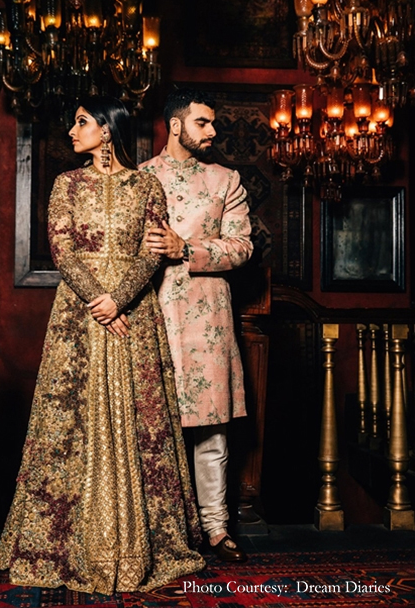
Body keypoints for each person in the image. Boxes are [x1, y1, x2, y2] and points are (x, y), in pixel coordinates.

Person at [0, 97, 204, 594]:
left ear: (108, 131)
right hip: (80, 317)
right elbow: (62, 251)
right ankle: (64, 547)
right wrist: (98, 301)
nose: (71, 130)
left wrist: (120, 300)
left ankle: (145, 544)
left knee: (139, 418)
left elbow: (154, 251)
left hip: (132, 316)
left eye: (82, 122)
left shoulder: (147, 185)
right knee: (73, 422)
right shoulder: (66, 185)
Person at [140, 88, 253, 562]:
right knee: (149, 428)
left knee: (210, 431)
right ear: (175, 125)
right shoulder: (139, 178)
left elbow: (243, 247)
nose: (212, 131)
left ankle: (215, 528)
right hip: (151, 312)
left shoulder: (226, 179)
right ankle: (157, 532)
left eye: (212, 123)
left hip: (208, 316)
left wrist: (185, 250)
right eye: (202, 122)